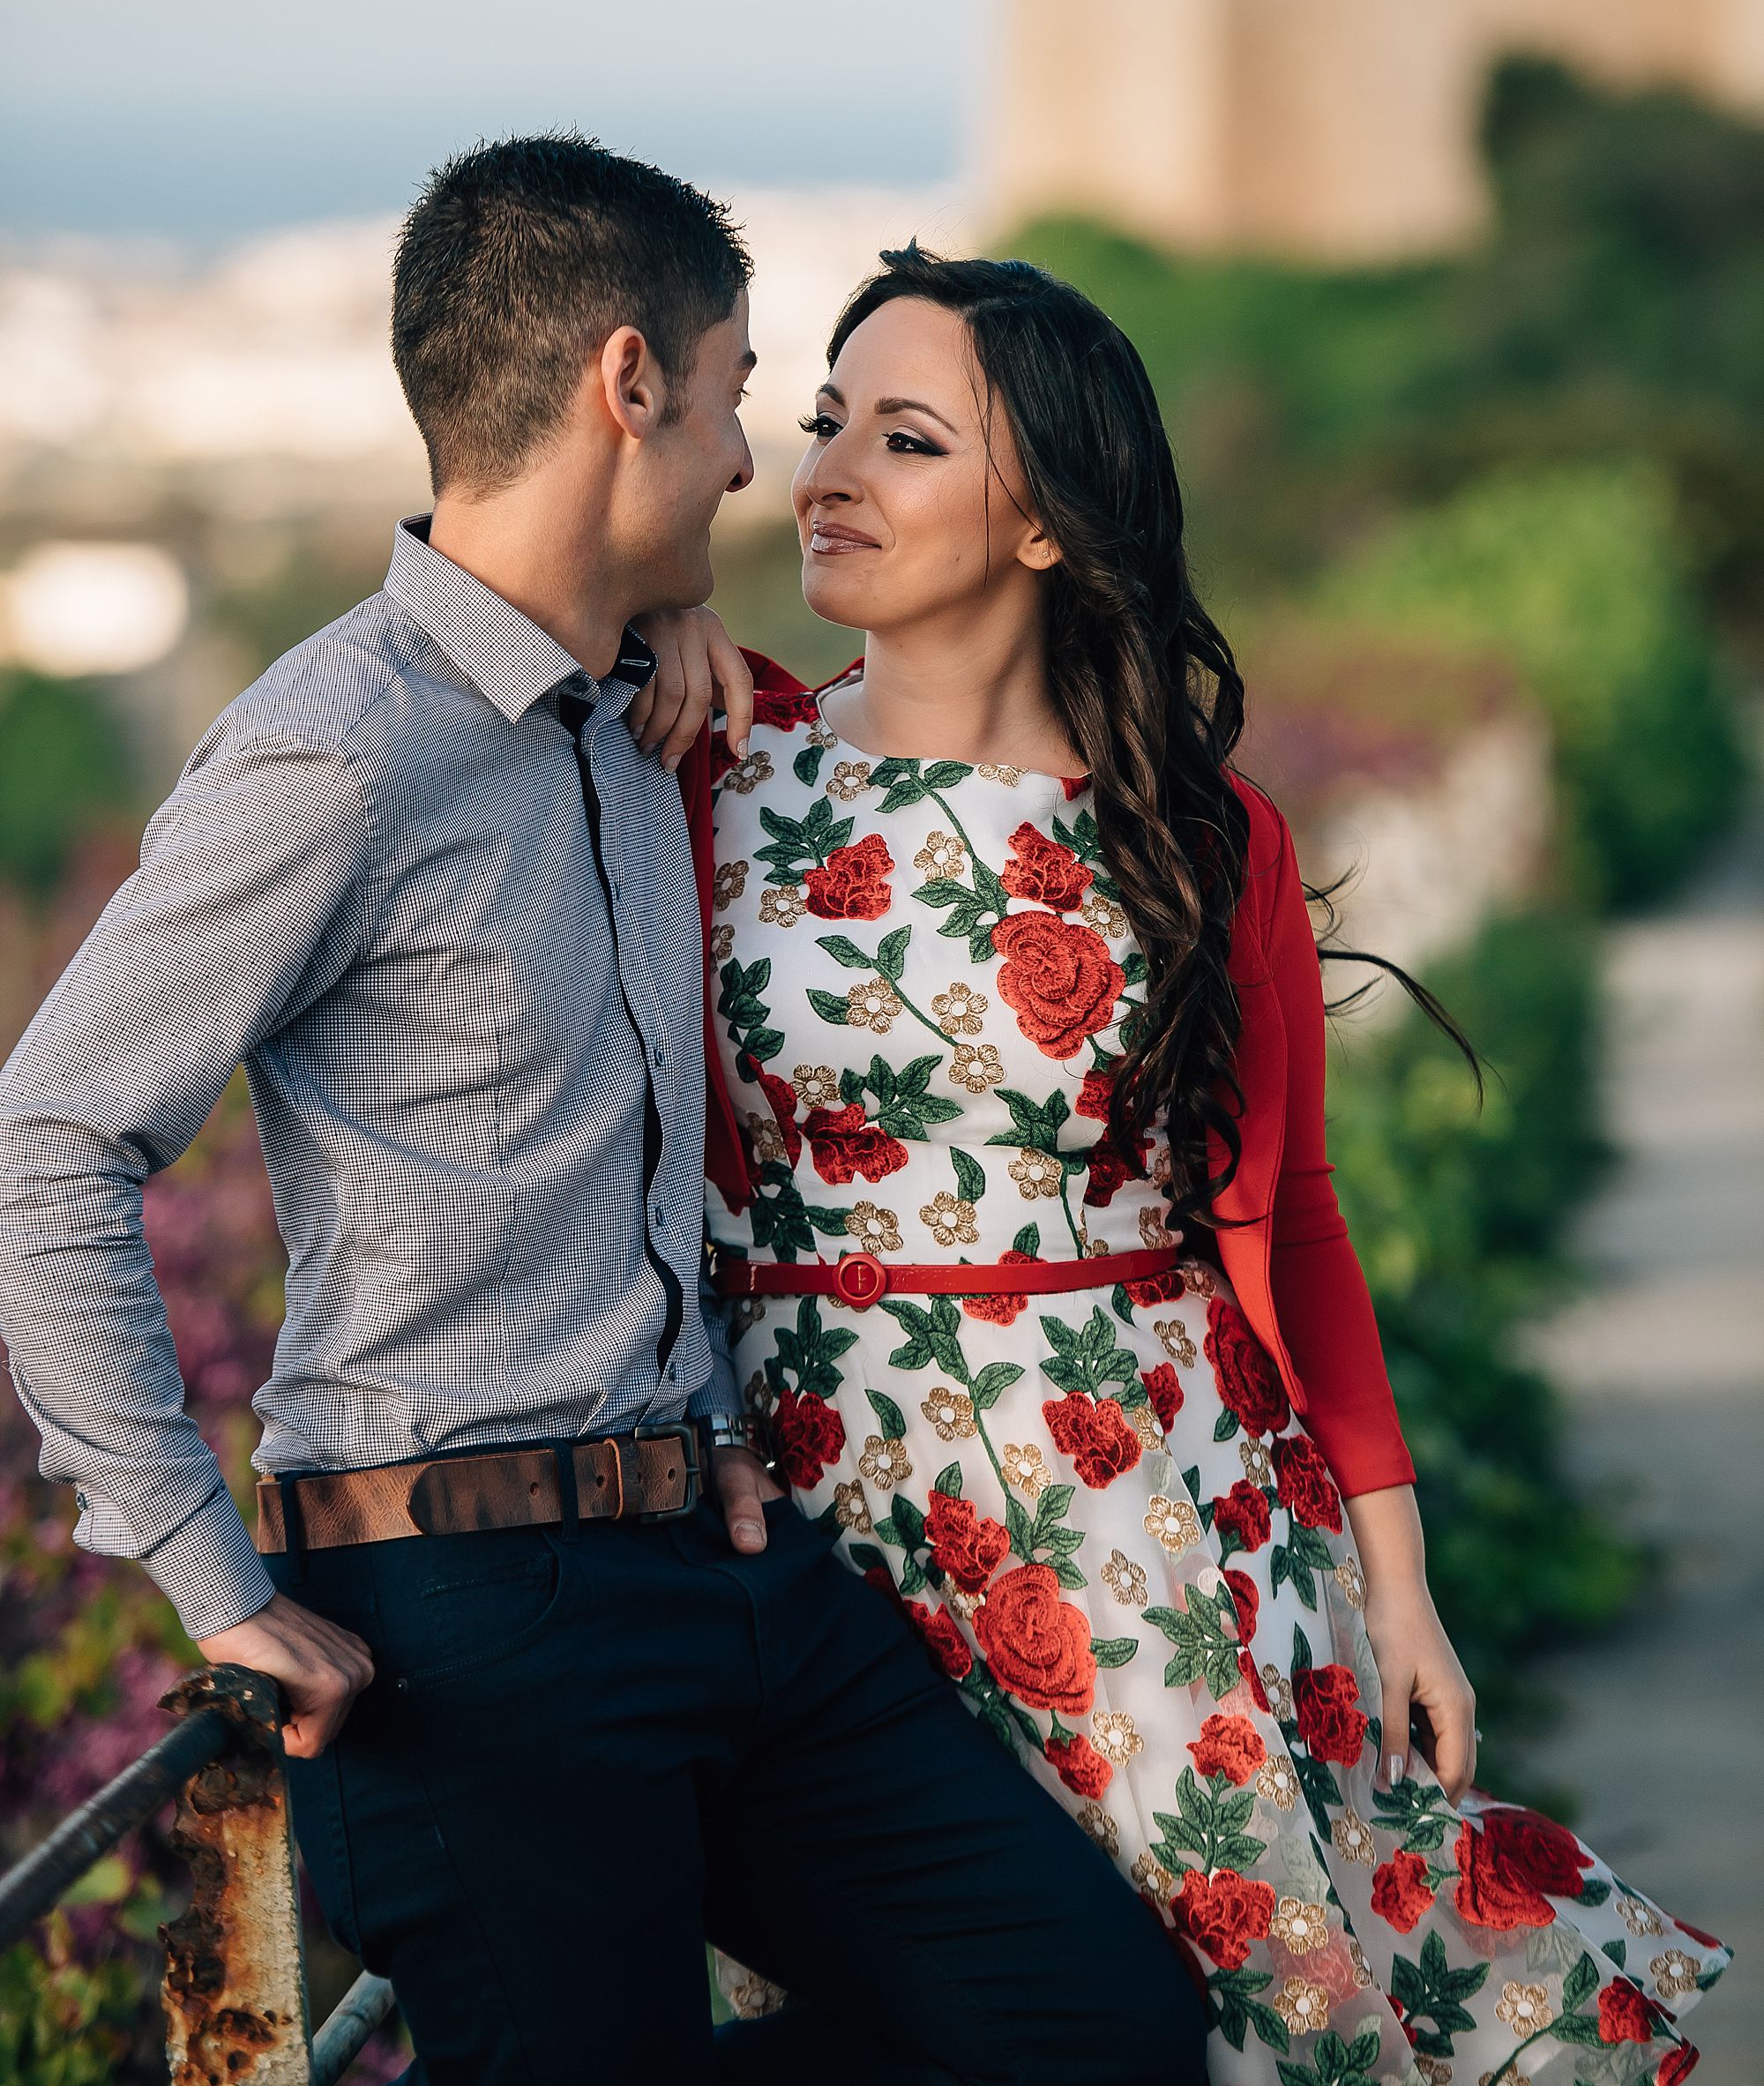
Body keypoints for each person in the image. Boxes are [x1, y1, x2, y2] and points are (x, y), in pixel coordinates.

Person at [0, 152, 1206, 2086]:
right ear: (627, 383)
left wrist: (680, 652)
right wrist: (207, 1579)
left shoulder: (636, 708)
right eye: (739, 394)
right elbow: (50, 1138)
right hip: (467, 1619)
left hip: (722, 1559)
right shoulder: (338, 747)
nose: (753, 464)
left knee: (1095, 2027)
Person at [693, 246, 1729, 2085]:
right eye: (824, 420)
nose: (830, 473)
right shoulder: (714, 764)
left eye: (908, 439)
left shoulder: (1190, 828)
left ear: (1045, 524)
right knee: (911, 2015)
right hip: (817, 1518)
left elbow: (1299, 1221)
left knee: (1221, 1983)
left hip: (1139, 1513)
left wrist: (1399, 1589)